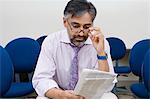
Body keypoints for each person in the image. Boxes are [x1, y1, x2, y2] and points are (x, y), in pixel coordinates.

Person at [32, 0, 117, 99]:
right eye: (76, 26)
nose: (81, 33)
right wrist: (61, 95)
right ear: (65, 22)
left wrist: (100, 52)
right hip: (60, 92)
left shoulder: (100, 42)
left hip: (90, 95)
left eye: (86, 27)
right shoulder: (51, 41)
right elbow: (41, 79)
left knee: (110, 97)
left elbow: (105, 84)